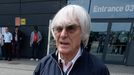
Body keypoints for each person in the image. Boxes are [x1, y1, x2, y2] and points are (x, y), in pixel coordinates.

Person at [33, 5, 110, 75]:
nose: (63, 35)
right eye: (59, 29)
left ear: (83, 32)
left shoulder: (99, 70)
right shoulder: (44, 64)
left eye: (71, 28)